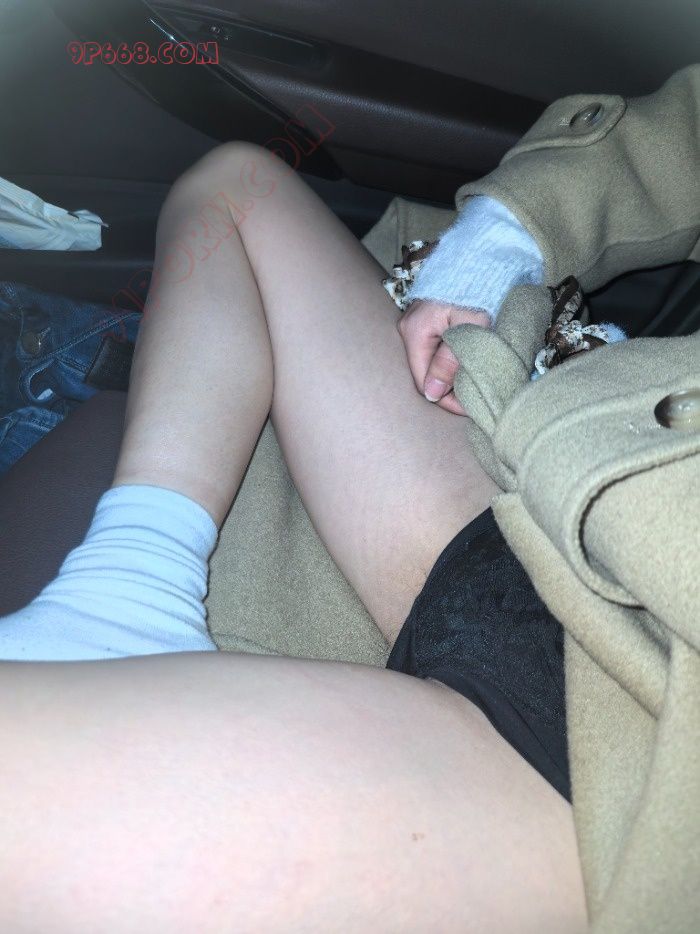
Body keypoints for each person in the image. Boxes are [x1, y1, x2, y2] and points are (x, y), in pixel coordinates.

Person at [0, 62, 697, 932]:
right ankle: (129, 584)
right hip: (583, 521)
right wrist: (503, 239)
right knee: (233, 190)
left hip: (629, 772)